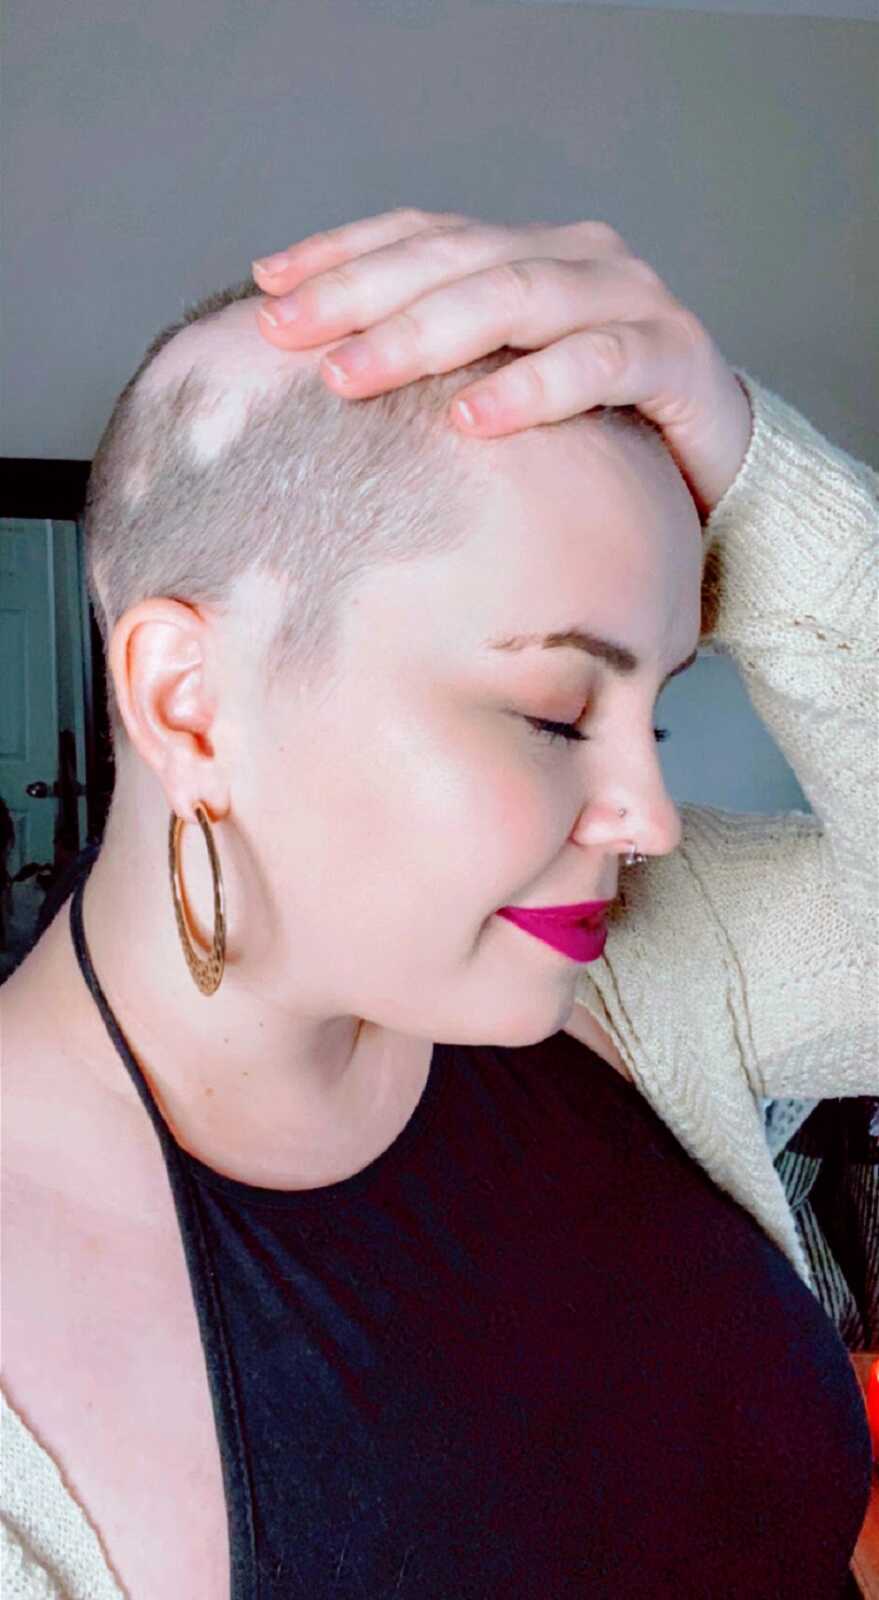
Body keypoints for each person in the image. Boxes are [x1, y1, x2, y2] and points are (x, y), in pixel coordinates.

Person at [1, 208, 875, 1598]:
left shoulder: (639, 971)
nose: (644, 814)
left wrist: (760, 473)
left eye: (655, 708)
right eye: (550, 712)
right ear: (191, 702)